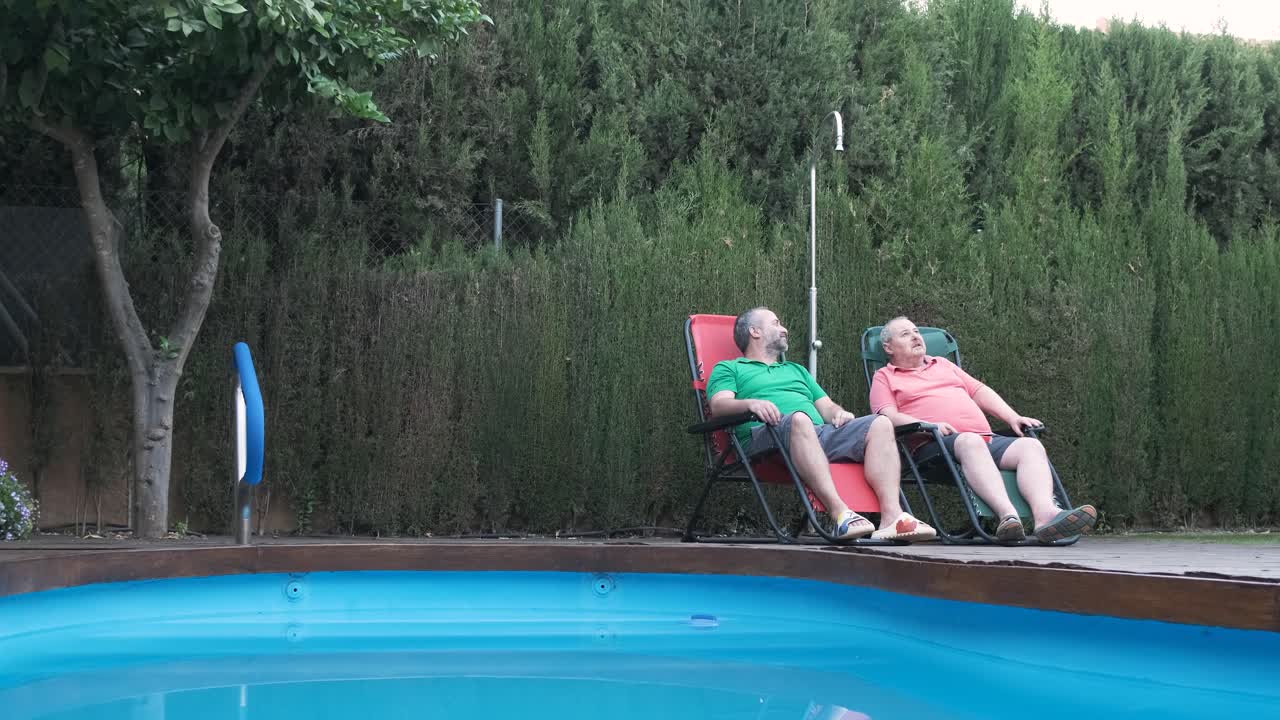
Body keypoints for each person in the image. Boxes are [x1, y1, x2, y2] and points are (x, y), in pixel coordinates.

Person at [706, 307, 936, 542]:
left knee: (881, 424)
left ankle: (892, 518)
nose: (784, 329)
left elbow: (826, 406)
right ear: (755, 331)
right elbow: (719, 405)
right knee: (799, 419)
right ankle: (840, 514)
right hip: (764, 437)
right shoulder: (730, 368)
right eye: (776, 323)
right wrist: (751, 404)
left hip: (816, 434)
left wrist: (839, 413)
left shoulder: (796, 370)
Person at [869, 316, 1097, 542]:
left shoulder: (943, 364)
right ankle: (1008, 517)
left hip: (984, 440)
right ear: (888, 347)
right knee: (970, 441)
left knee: (1030, 446)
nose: (916, 336)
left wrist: (1013, 417)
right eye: (905, 334)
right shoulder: (885, 377)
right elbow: (886, 416)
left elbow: (979, 391)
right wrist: (930, 424)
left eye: (916, 331)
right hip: (933, 446)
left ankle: (1046, 515)